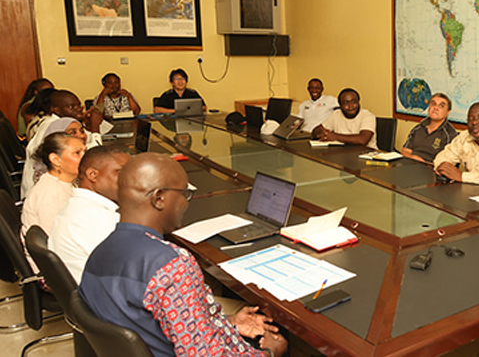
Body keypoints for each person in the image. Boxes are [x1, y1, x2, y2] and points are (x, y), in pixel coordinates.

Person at [79, 153, 288, 357]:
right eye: (184, 194)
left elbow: (161, 321)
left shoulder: (99, 252)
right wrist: (269, 352)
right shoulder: (173, 265)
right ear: (159, 198)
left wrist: (227, 321)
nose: (186, 203)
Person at [50, 146, 130, 283]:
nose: (130, 180)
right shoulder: (94, 217)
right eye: (121, 172)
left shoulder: (78, 206)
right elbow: (131, 267)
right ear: (92, 174)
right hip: (102, 294)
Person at [21, 133, 86, 272]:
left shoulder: (63, 183)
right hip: (54, 273)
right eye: (77, 153)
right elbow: (56, 243)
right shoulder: (51, 194)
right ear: (56, 160)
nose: (85, 158)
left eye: (84, 152)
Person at [22, 90, 103, 198]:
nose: (78, 109)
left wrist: (86, 126)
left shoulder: (65, 123)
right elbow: (95, 157)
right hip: (38, 188)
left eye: (79, 105)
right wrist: (95, 128)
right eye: (72, 107)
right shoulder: (51, 127)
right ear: (55, 109)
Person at [400, 93, 458, 163]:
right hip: (410, 164)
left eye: (441, 106)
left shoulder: (450, 134)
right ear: (429, 107)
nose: (436, 108)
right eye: (433, 104)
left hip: (431, 170)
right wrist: (413, 157)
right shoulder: (418, 128)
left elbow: (446, 163)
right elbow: (405, 151)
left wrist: (423, 163)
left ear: (447, 112)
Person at [312, 88, 377, 149]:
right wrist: (323, 134)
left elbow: (362, 140)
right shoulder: (336, 114)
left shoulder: (367, 116)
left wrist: (334, 136)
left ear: (358, 102)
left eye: (354, 102)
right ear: (340, 105)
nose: (350, 106)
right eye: (346, 103)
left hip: (367, 155)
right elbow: (316, 130)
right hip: (343, 153)